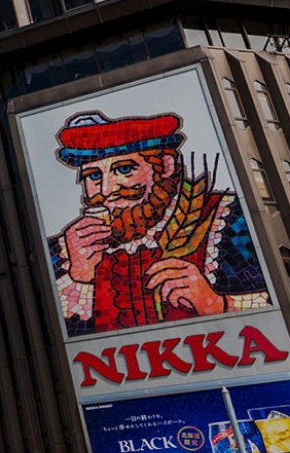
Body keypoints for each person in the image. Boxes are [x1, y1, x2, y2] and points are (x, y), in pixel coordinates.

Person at [45, 111, 270, 336]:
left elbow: (287, 300)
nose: (107, 190)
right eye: (93, 176)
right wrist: (81, 279)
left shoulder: (228, 220)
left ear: (166, 165)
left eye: (124, 169)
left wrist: (218, 303)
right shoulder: (64, 251)